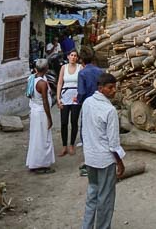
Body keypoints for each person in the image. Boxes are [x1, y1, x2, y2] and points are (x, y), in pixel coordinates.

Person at [80, 72, 125, 229]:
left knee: (92, 193)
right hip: (105, 160)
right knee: (105, 198)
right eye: (110, 88)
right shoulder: (110, 110)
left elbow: (83, 129)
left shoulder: (87, 103)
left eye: (115, 87)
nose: (114, 91)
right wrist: (120, 163)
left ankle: (86, 226)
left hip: (91, 157)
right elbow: (113, 143)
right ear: (101, 88)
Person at [76, 48, 104, 176]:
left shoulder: (82, 73)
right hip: (100, 104)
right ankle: (101, 161)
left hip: (88, 105)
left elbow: (81, 92)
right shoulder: (100, 71)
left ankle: (90, 164)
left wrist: (78, 100)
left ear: (81, 60)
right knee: (100, 132)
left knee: (86, 134)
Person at [25, 59, 55, 174]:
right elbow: (45, 103)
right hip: (41, 112)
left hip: (34, 111)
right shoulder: (42, 84)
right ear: (46, 69)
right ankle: (41, 164)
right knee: (43, 139)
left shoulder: (31, 78)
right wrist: (49, 118)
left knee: (36, 137)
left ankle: (35, 162)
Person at [56, 49, 83, 157]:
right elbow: (59, 83)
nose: (73, 57)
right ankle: (64, 146)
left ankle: (71, 144)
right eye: (71, 55)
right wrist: (58, 98)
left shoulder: (80, 68)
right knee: (63, 122)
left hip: (75, 98)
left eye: (75, 56)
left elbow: (82, 83)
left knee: (74, 121)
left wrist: (80, 96)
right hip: (65, 97)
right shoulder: (64, 67)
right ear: (68, 57)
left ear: (77, 58)